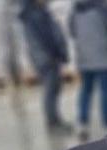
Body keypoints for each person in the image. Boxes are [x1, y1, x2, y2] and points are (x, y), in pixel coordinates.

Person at [68, 0, 107, 140]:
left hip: (84, 58)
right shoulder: (104, 7)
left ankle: (82, 123)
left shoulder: (75, 10)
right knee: (105, 91)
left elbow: (72, 32)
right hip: (103, 57)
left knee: (86, 90)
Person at [19, 0, 71, 133]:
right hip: (46, 58)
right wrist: (56, 53)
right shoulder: (34, 15)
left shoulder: (36, 13)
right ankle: (53, 123)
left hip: (45, 57)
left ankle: (55, 120)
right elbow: (46, 37)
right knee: (50, 90)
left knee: (53, 89)